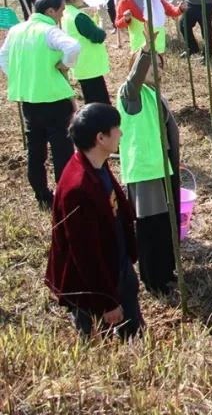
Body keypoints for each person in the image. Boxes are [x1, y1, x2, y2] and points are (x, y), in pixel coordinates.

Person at [45, 103, 142, 339]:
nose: (121, 133)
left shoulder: (96, 164)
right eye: (116, 128)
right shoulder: (77, 187)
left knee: (135, 337)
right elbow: (84, 254)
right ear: (100, 138)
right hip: (94, 290)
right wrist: (106, 301)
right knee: (104, 347)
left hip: (116, 269)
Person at [0, 0, 79, 208]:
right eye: (61, 11)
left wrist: (19, 76)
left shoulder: (16, 31)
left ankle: (42, 196)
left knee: (36, 151)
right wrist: (65, 64)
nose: (62, 15)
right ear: (50, 11)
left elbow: (3, 56)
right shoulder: (49, 30)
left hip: (29, 100)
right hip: (54, 99)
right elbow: (73, 47)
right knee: (62, 149)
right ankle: (66, 197)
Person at [116, 47, 181, 296]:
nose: (157, 69)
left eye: (160, 64)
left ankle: (166, 272)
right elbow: (134, 79)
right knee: (150, 227)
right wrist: (145, 51)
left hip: (164, 167)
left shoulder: (156, 95)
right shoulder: (131, 93)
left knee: (165, 224)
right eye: (151, 64)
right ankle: (153, 279)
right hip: (145, 171)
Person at [59, 0, 111, 104]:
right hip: (90, 67)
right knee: (100, 106)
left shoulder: (65, 14)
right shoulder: (79, 17)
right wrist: (103, 17)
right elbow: (99, 36)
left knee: (91, 102)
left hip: (81, 66)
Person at [115, 0, 185, 55]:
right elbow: (118, 24)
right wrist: (126, 19)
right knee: (142, 67)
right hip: (139, 46)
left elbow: (170, 10)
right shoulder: (125, 1)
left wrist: (180, 9)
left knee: (159, 67)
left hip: (157, 44)